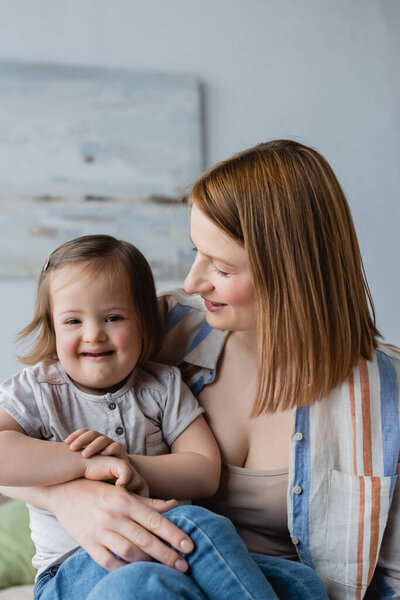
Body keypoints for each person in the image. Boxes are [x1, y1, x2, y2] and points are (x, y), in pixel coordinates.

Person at [1, 139, 398, 599]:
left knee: (304, 586)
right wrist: (68, 494)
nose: (191, 282)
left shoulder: (384, 394)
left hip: (242, 575)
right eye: (195, 252)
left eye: (222, 268)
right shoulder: (165, 328)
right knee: (146, 581)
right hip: (117, 569)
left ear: (290, 271)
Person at [0, 234, 324, 600]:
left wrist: (125, 461)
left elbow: (204, 471)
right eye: (73, 320)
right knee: (191, 532)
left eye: (113, 317)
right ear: (52, 327)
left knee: (300, 583)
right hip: (75, 567)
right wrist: (83, 463)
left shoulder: (162, 385)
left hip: (168, 549)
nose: (94, 334)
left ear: (143, 322)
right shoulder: (39, 390)